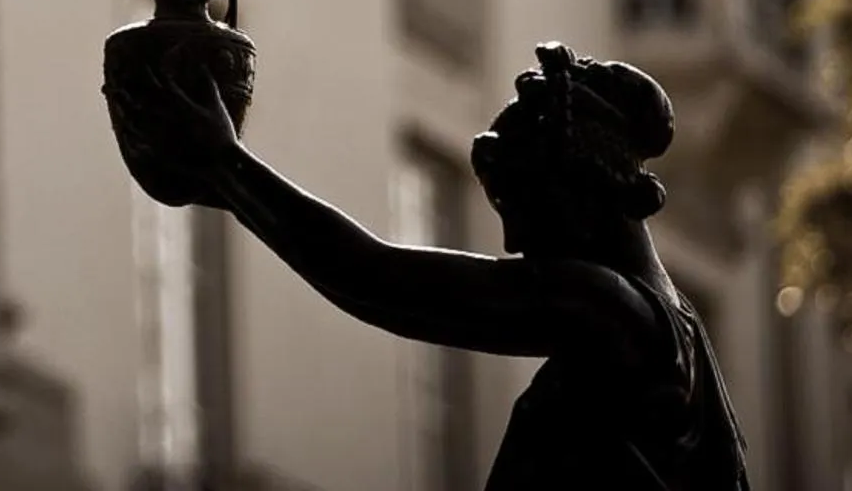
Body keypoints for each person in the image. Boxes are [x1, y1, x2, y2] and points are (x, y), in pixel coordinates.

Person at [105, 40, 749, 489]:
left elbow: (377, 279)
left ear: (575, 181)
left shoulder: (605, 308)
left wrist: (229, 166)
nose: (514, 243)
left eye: (518, 205)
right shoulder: (671, 327)